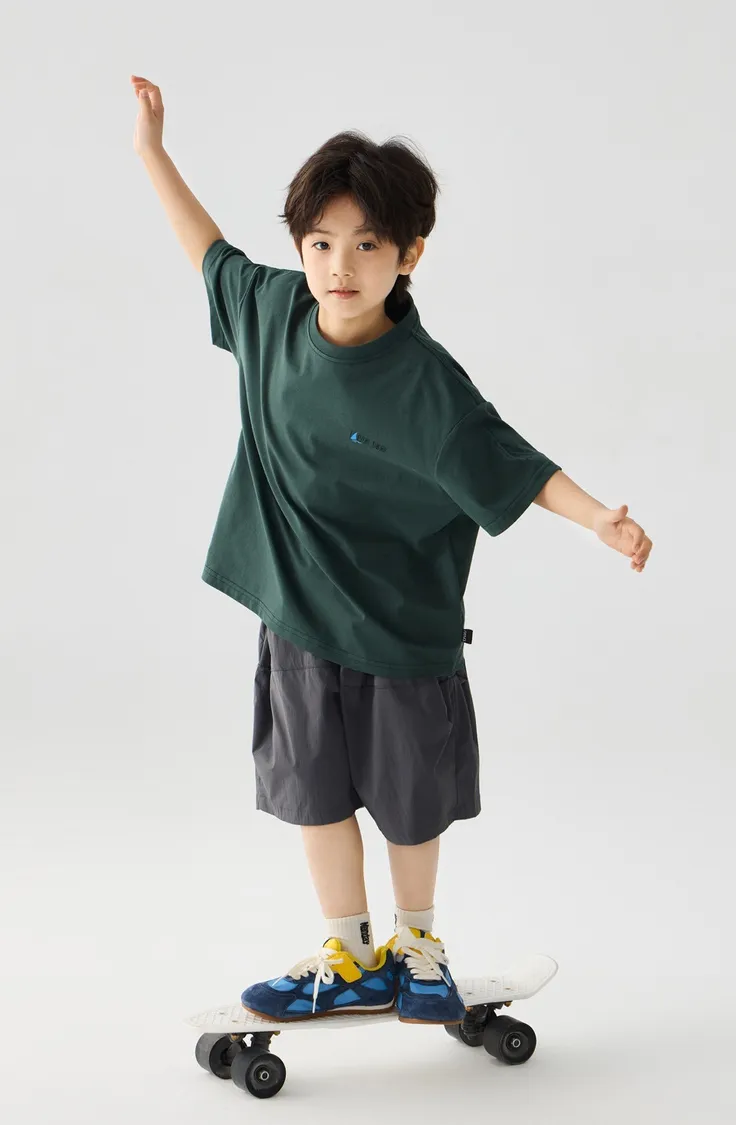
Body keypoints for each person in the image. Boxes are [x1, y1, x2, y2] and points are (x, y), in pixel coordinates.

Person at [132, 76, 653, 1026]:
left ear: (410, 255)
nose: (340, 264)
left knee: (410, 799)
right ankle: (349, 953)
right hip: (299, 614)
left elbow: (514, 461)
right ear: (300, 245)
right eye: (322, 242)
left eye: (368, 244)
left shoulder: (426, 383)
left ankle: (418, 943)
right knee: (314, 793)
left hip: (400, 625)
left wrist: (597, 519)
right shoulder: (269, 313)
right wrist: (152, 153)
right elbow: (205, 249)